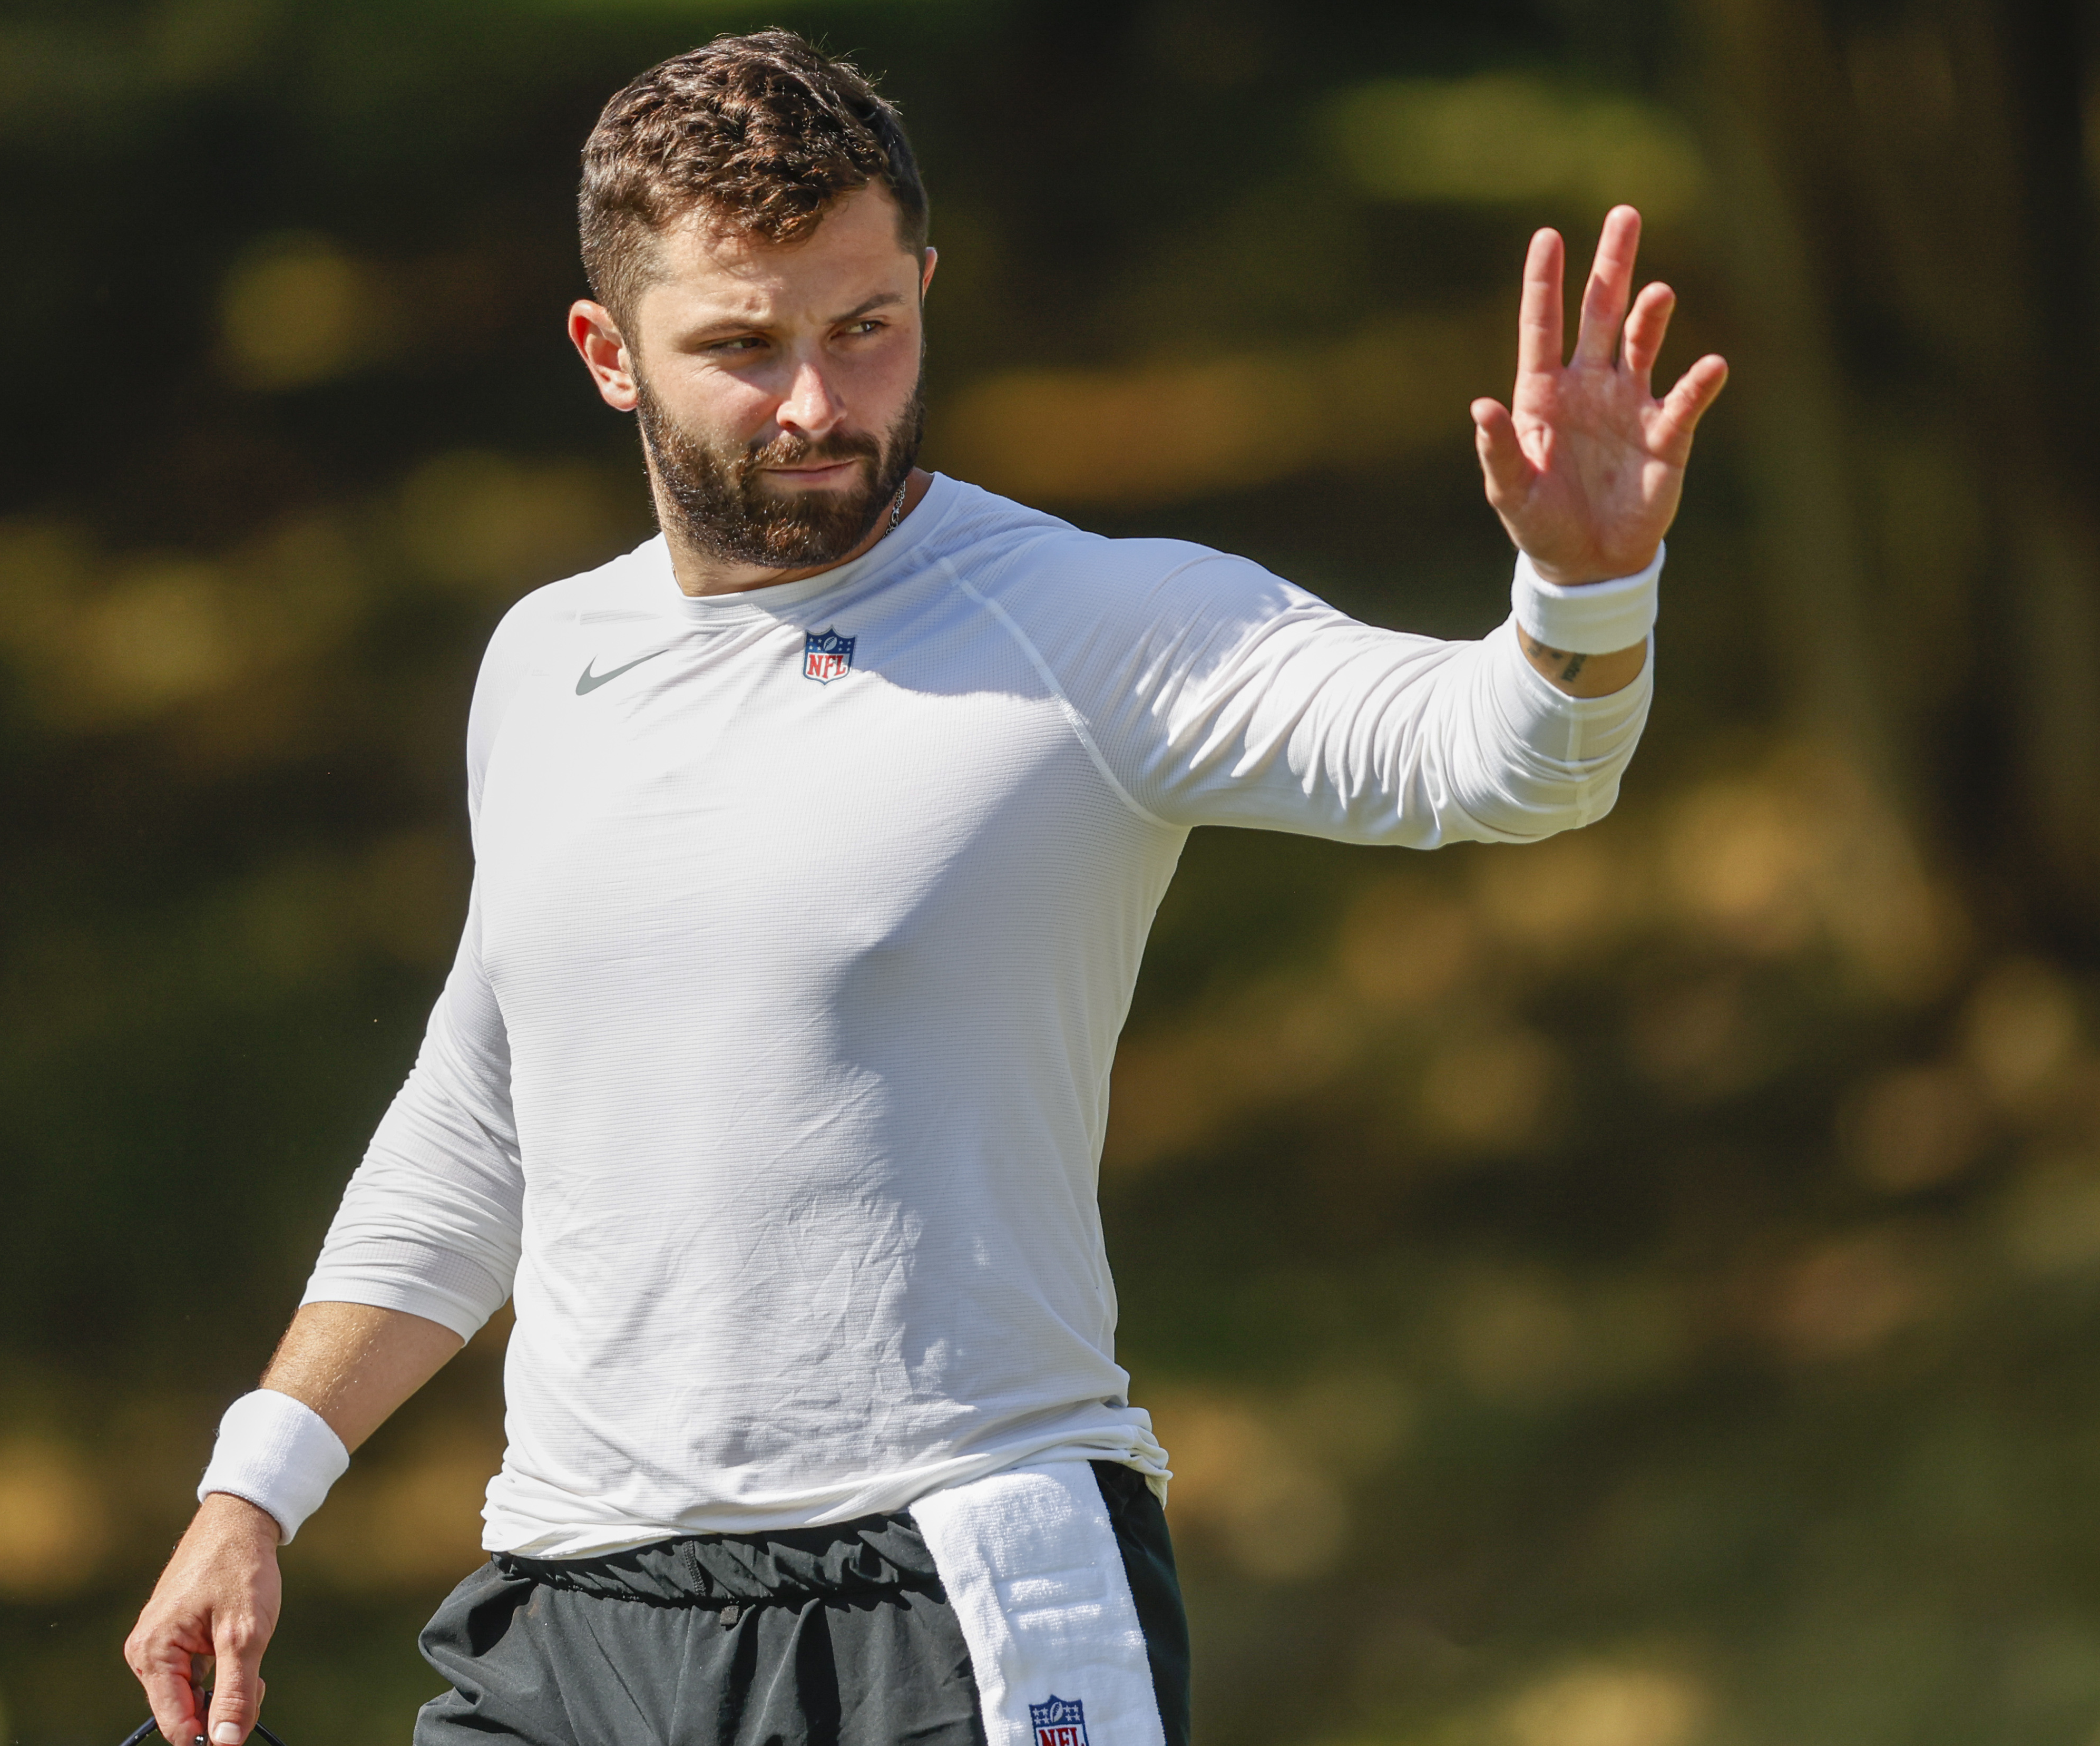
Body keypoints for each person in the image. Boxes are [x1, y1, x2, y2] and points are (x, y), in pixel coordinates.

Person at [123, 28, 1726, 1746]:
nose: (820, 402)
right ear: (608, 354)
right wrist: (254, 1489)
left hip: (954, 1597)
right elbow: (486, 1119)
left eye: (865, 328)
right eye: (742, 345)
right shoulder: (541, 663)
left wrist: (1578, 598)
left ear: (924, 297)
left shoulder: (1085, 623)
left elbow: (1502, 762)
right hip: (575, 1610)